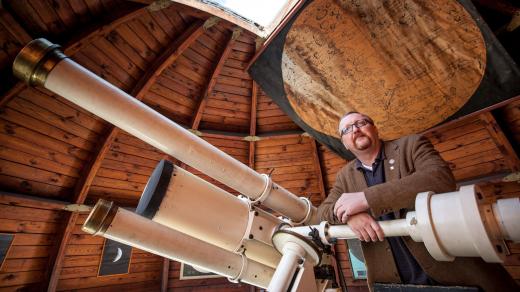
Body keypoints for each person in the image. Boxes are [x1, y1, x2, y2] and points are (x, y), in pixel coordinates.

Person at [316, 111, 518, 291]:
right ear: (344, 142)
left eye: (362, 123)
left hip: (457, 273)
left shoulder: (411, 145)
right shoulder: (344, 175)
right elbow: (322, 213)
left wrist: (366, 198)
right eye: (347, 129)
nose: (356, 130)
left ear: (374, 128)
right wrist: (349, 215)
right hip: (394, 284)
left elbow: (439, 178)